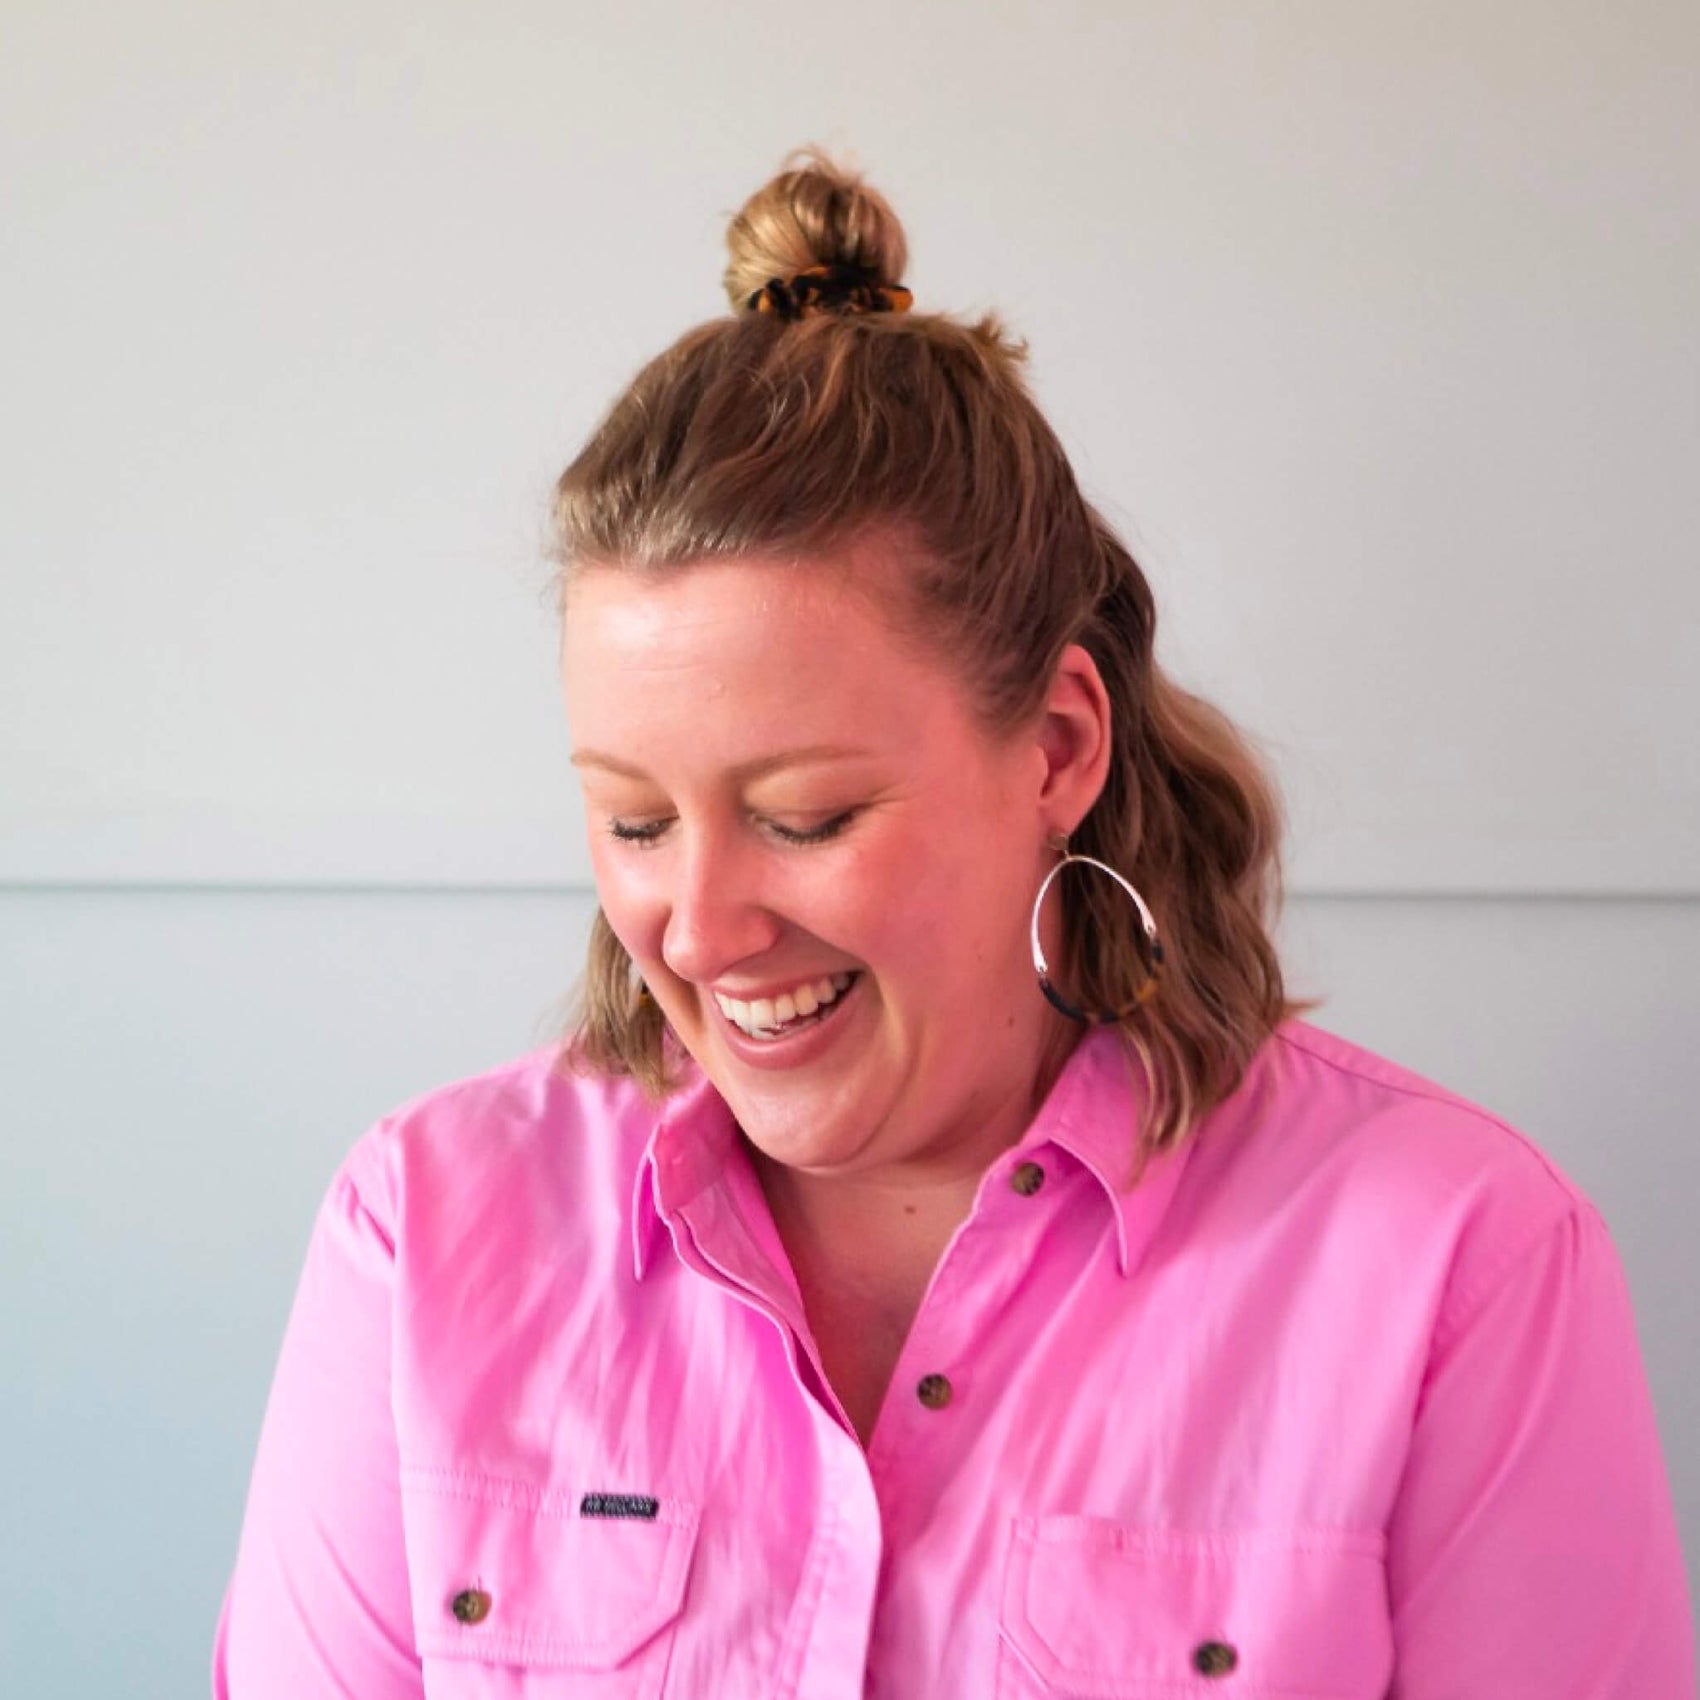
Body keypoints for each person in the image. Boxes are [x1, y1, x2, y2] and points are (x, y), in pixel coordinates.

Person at [212, 151, 1694, 1698]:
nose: (702, 931)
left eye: (807, 818)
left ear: (1056, 747)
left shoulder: (1459, 1264)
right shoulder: (423, 1236)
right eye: (636, 822)